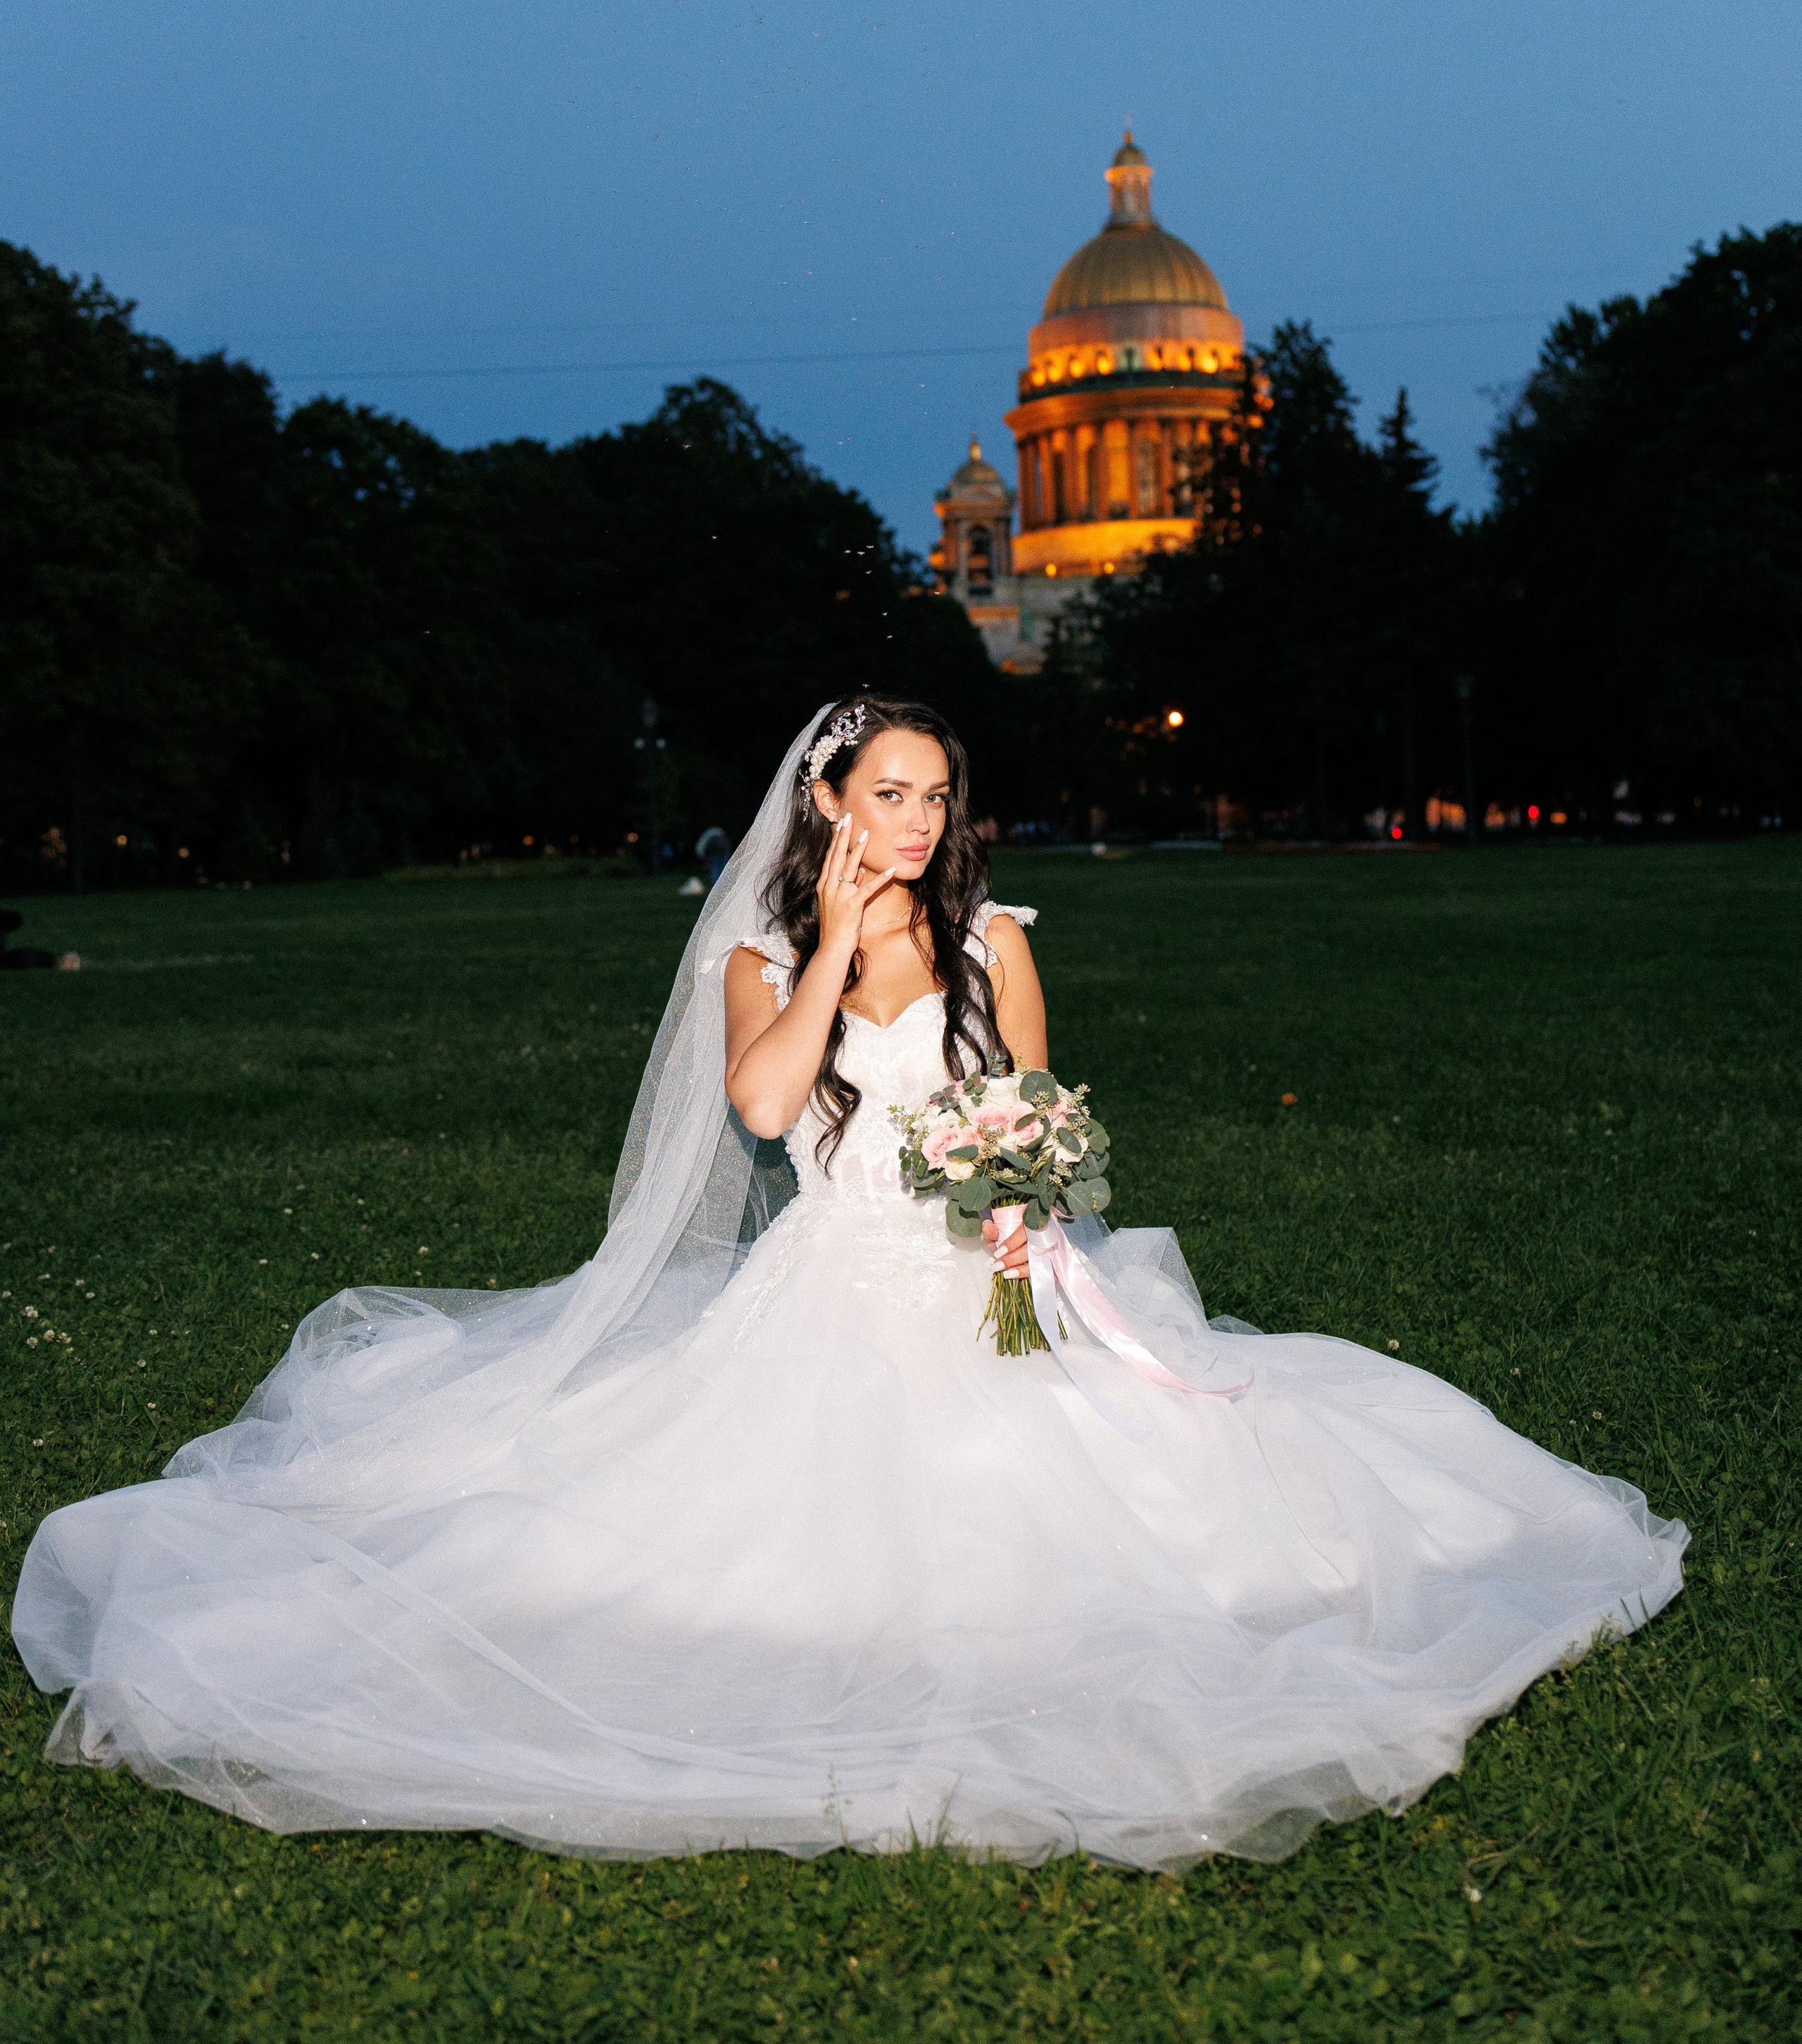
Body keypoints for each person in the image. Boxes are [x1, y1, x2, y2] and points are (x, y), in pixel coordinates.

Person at [11, 698, 1685, 1868]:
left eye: (936, 795)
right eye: (888, 792)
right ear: (827, 802)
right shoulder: (760, 954)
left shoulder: (999, 939)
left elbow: (1033, 1103)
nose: (918, 819)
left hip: (989, 1267)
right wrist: (827, 943)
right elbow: (757, 1108)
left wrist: (1027, 1198)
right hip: (828, 1284)